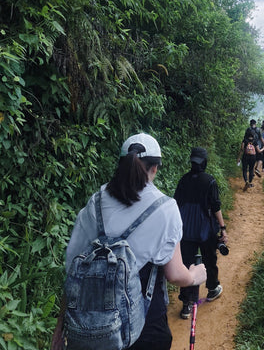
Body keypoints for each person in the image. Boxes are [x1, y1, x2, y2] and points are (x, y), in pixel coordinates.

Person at [51, 133, 207, 350]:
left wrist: (61, 328)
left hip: (91, 327)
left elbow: (73, 270)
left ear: (121, 164)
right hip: (143, 326)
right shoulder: (166, 208)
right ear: (155, 168)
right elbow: (175, 274)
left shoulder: (96, 202)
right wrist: (195, 275)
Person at [174, 147, 228, 320]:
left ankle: (186, 304)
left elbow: (175, 205)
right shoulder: (209, 181)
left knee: (187, 263)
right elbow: (216, 207)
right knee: (209, 259)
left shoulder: (183, 181)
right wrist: (223, 228)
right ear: (204, 162)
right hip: (206, 230)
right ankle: (212, 288)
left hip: (185, 230)